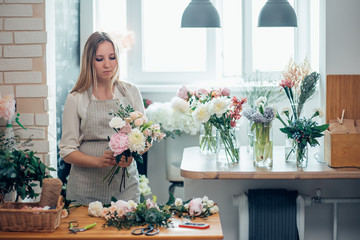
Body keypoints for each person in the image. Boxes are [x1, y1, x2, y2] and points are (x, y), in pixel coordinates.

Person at [59, 31, 146, 204]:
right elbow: (67, 151)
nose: (107, 64)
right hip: (85, 189)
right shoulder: (76, 98)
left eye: (112, 57)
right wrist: (98, 161)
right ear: (89, 61)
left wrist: (134, 155)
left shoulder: (130, 92)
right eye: (100, 59)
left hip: (125, 187)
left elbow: (145, 137)